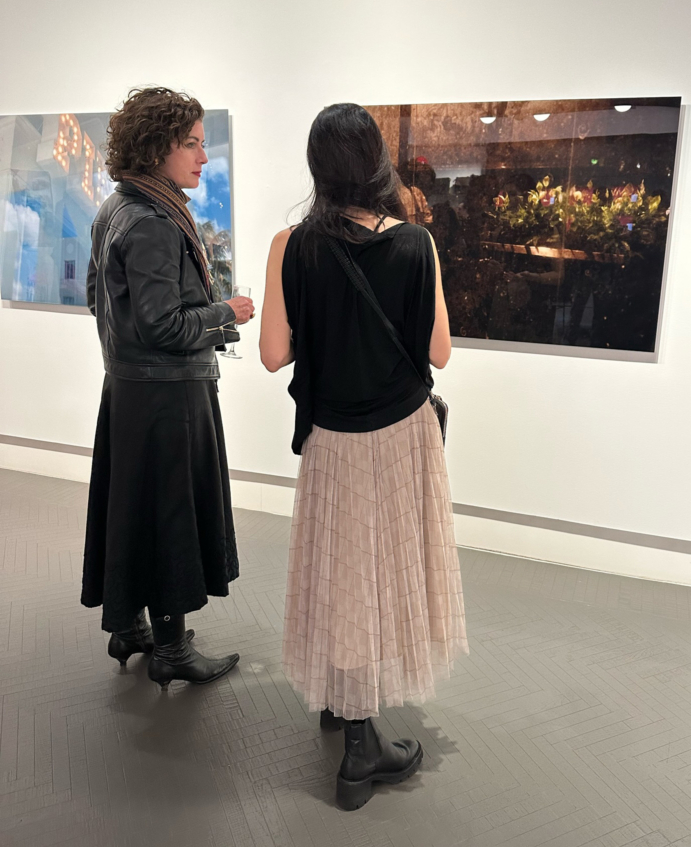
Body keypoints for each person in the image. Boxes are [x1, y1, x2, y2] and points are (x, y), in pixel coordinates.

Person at [259, 103, 468, 810]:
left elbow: (274, 355)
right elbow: (439, 352)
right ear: (378, 162)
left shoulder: (291, 245)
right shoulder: (415, 244)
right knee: (385, 570)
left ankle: (342, 700)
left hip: (333, 437)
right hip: (402, 432)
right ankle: (360, 749)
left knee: (342, 568)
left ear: (317, 167)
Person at [81, 87, 255, 689]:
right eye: (191, 144)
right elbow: (163, 325)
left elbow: (98, 300)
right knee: (170, 515)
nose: (203, 157)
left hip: (130, 392)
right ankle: (173, 650)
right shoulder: (154, 222)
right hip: (168, 398)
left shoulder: (115, 209)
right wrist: (226, 312)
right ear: (157, 148)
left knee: (134, 509)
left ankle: (130, 627)